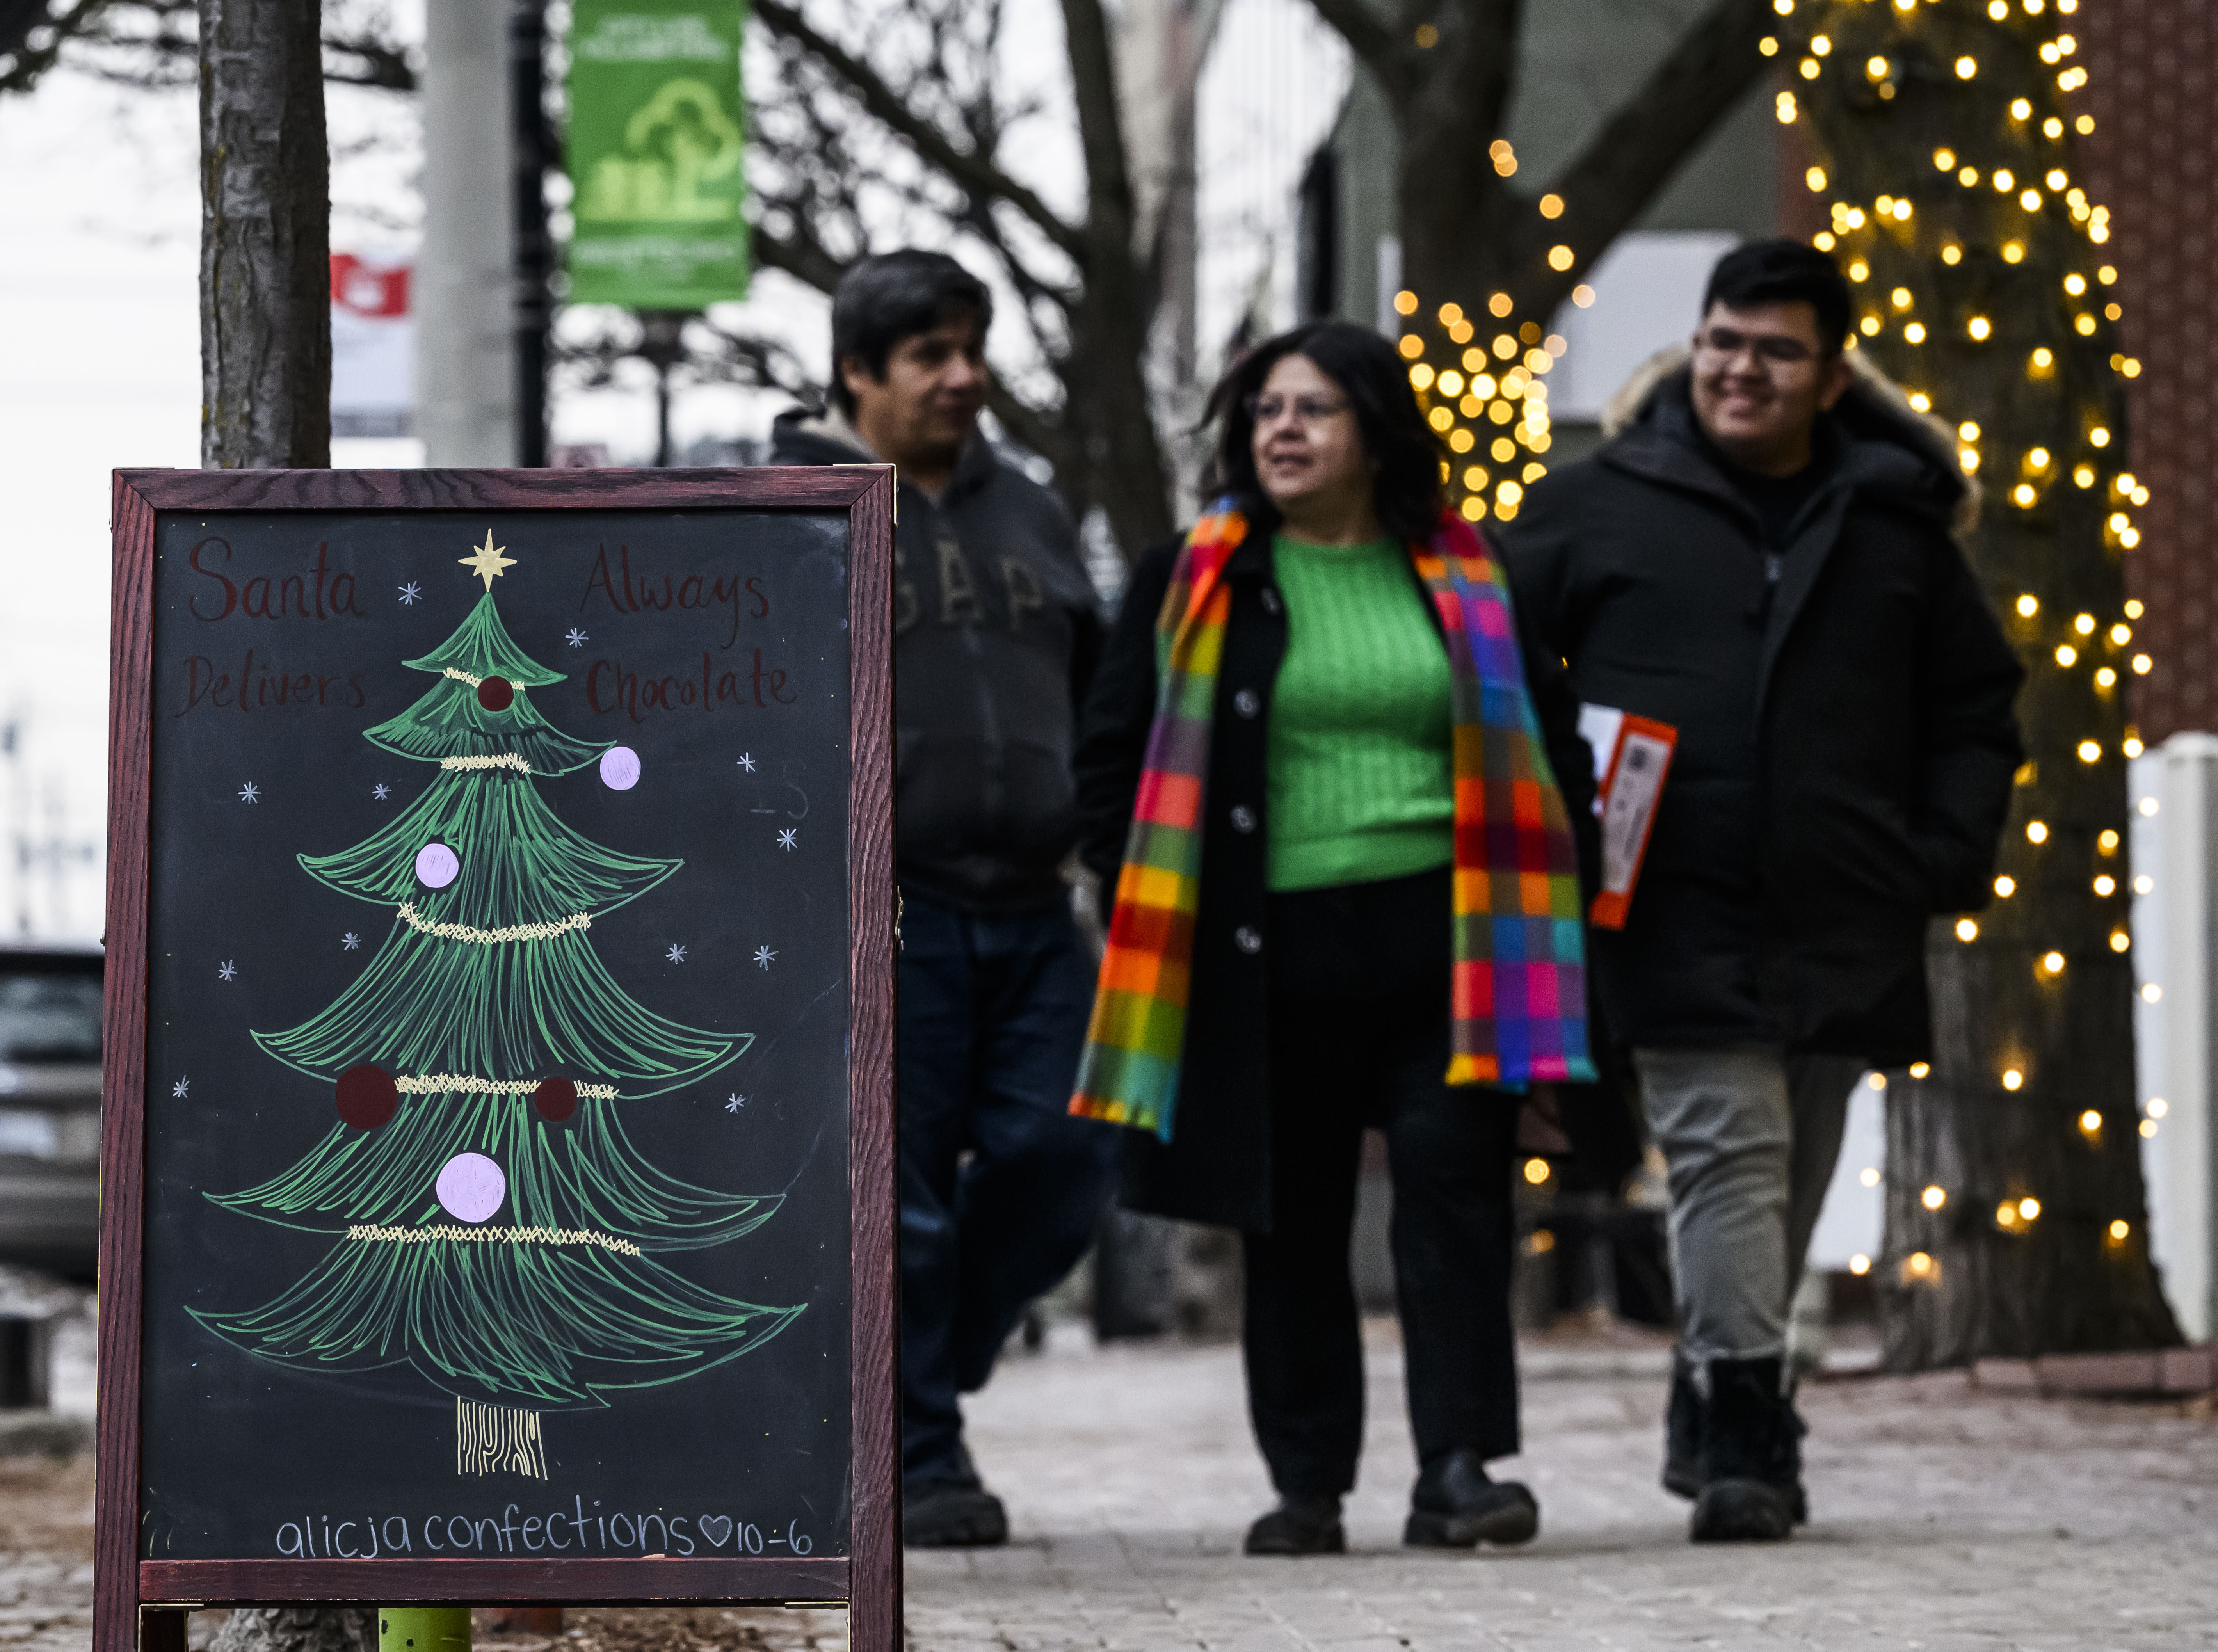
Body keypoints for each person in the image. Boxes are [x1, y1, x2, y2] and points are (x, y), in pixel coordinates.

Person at [1498, 240, 2024, 1543]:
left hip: (1845, 904)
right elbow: (1497, 663)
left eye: (1776, 350)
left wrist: (1945, 852)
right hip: (1660, 897)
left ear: (1829, 378)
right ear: (1698, 342)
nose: (1741, 369)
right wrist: (1567, 810)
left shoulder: (1894, 529)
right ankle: (1747, 1428)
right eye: (1725, 340)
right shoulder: (1599, 501)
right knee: (1728, 1151)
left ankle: (1711, 1378)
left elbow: (1974, 707)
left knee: (1785, 1165)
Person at [1073, 320, 1598, 1556]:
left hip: (1454, 943)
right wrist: (1137, 891)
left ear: (1376, 430)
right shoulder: (1189, 576)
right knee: (1291, 1219)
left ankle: (1459, 1469)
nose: (1282, 431)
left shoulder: (1472, 574)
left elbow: (1554, 744)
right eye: (1263, 411)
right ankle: (1307, 1484)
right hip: (1265, 949)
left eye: (1313, 408)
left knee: (1452, 1203)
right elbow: (1110, 758)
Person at [770, 250, 1118, 1548]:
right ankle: (922, 1456)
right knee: (898, 1196)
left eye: (971, 347)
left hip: (1039, 903)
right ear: (858, 373)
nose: (964, 375)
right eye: (930, 355)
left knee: (1073, 1150)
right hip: (884, 906)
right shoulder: (796, 505)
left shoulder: (1030, 508)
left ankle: (946, 1343)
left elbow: (1088, 683)